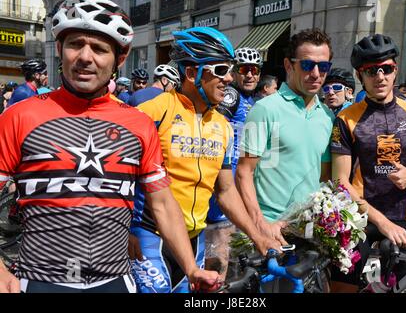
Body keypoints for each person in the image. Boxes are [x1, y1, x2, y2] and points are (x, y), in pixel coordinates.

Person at [0, 0, 219, 293]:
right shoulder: (19, 116)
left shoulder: (139, 123)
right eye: (75, 44)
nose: (85, 57)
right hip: (38, 279)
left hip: (114, 280)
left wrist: (191, 267)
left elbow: (163, 204)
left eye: (100, 49)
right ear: (61, 50)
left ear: (120, 59)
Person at [129, 27, 281, 293]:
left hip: (195, 239)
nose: (230, 78)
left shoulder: (222, 125)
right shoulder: (154, 112)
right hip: (149, 235)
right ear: (191, 73)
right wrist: (126, 229)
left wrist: (258, 236)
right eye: (221, 70)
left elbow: (225, 191)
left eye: (230, 70)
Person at [330, 34, 406, 292]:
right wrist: (382, 223)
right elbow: (340, 182)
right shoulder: (346, 118)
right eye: (371, 70)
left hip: (403, 218)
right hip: (358, 218)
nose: (380, 76)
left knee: (396, 289)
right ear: (360, 76)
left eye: (387, 68)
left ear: (395, 71)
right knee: (341, 287)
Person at [236, 28, 335, 245]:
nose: (316, 74)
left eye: (324, 66)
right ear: (289, 65)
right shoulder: (264, 109)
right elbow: (244, 172)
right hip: (268, 231)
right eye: (308, 65)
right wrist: (261, 224)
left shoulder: (327, 117)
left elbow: (324, 177)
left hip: (310, 231)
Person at [205, 47, 263, 279]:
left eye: (254, 70)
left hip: (242, 182)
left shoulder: (254, 99)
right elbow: (215, 126)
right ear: (235, 72)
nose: (249, 75)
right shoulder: (232, 95)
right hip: (224, 181)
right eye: (244, 70)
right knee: (218, 262)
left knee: (236, 260)